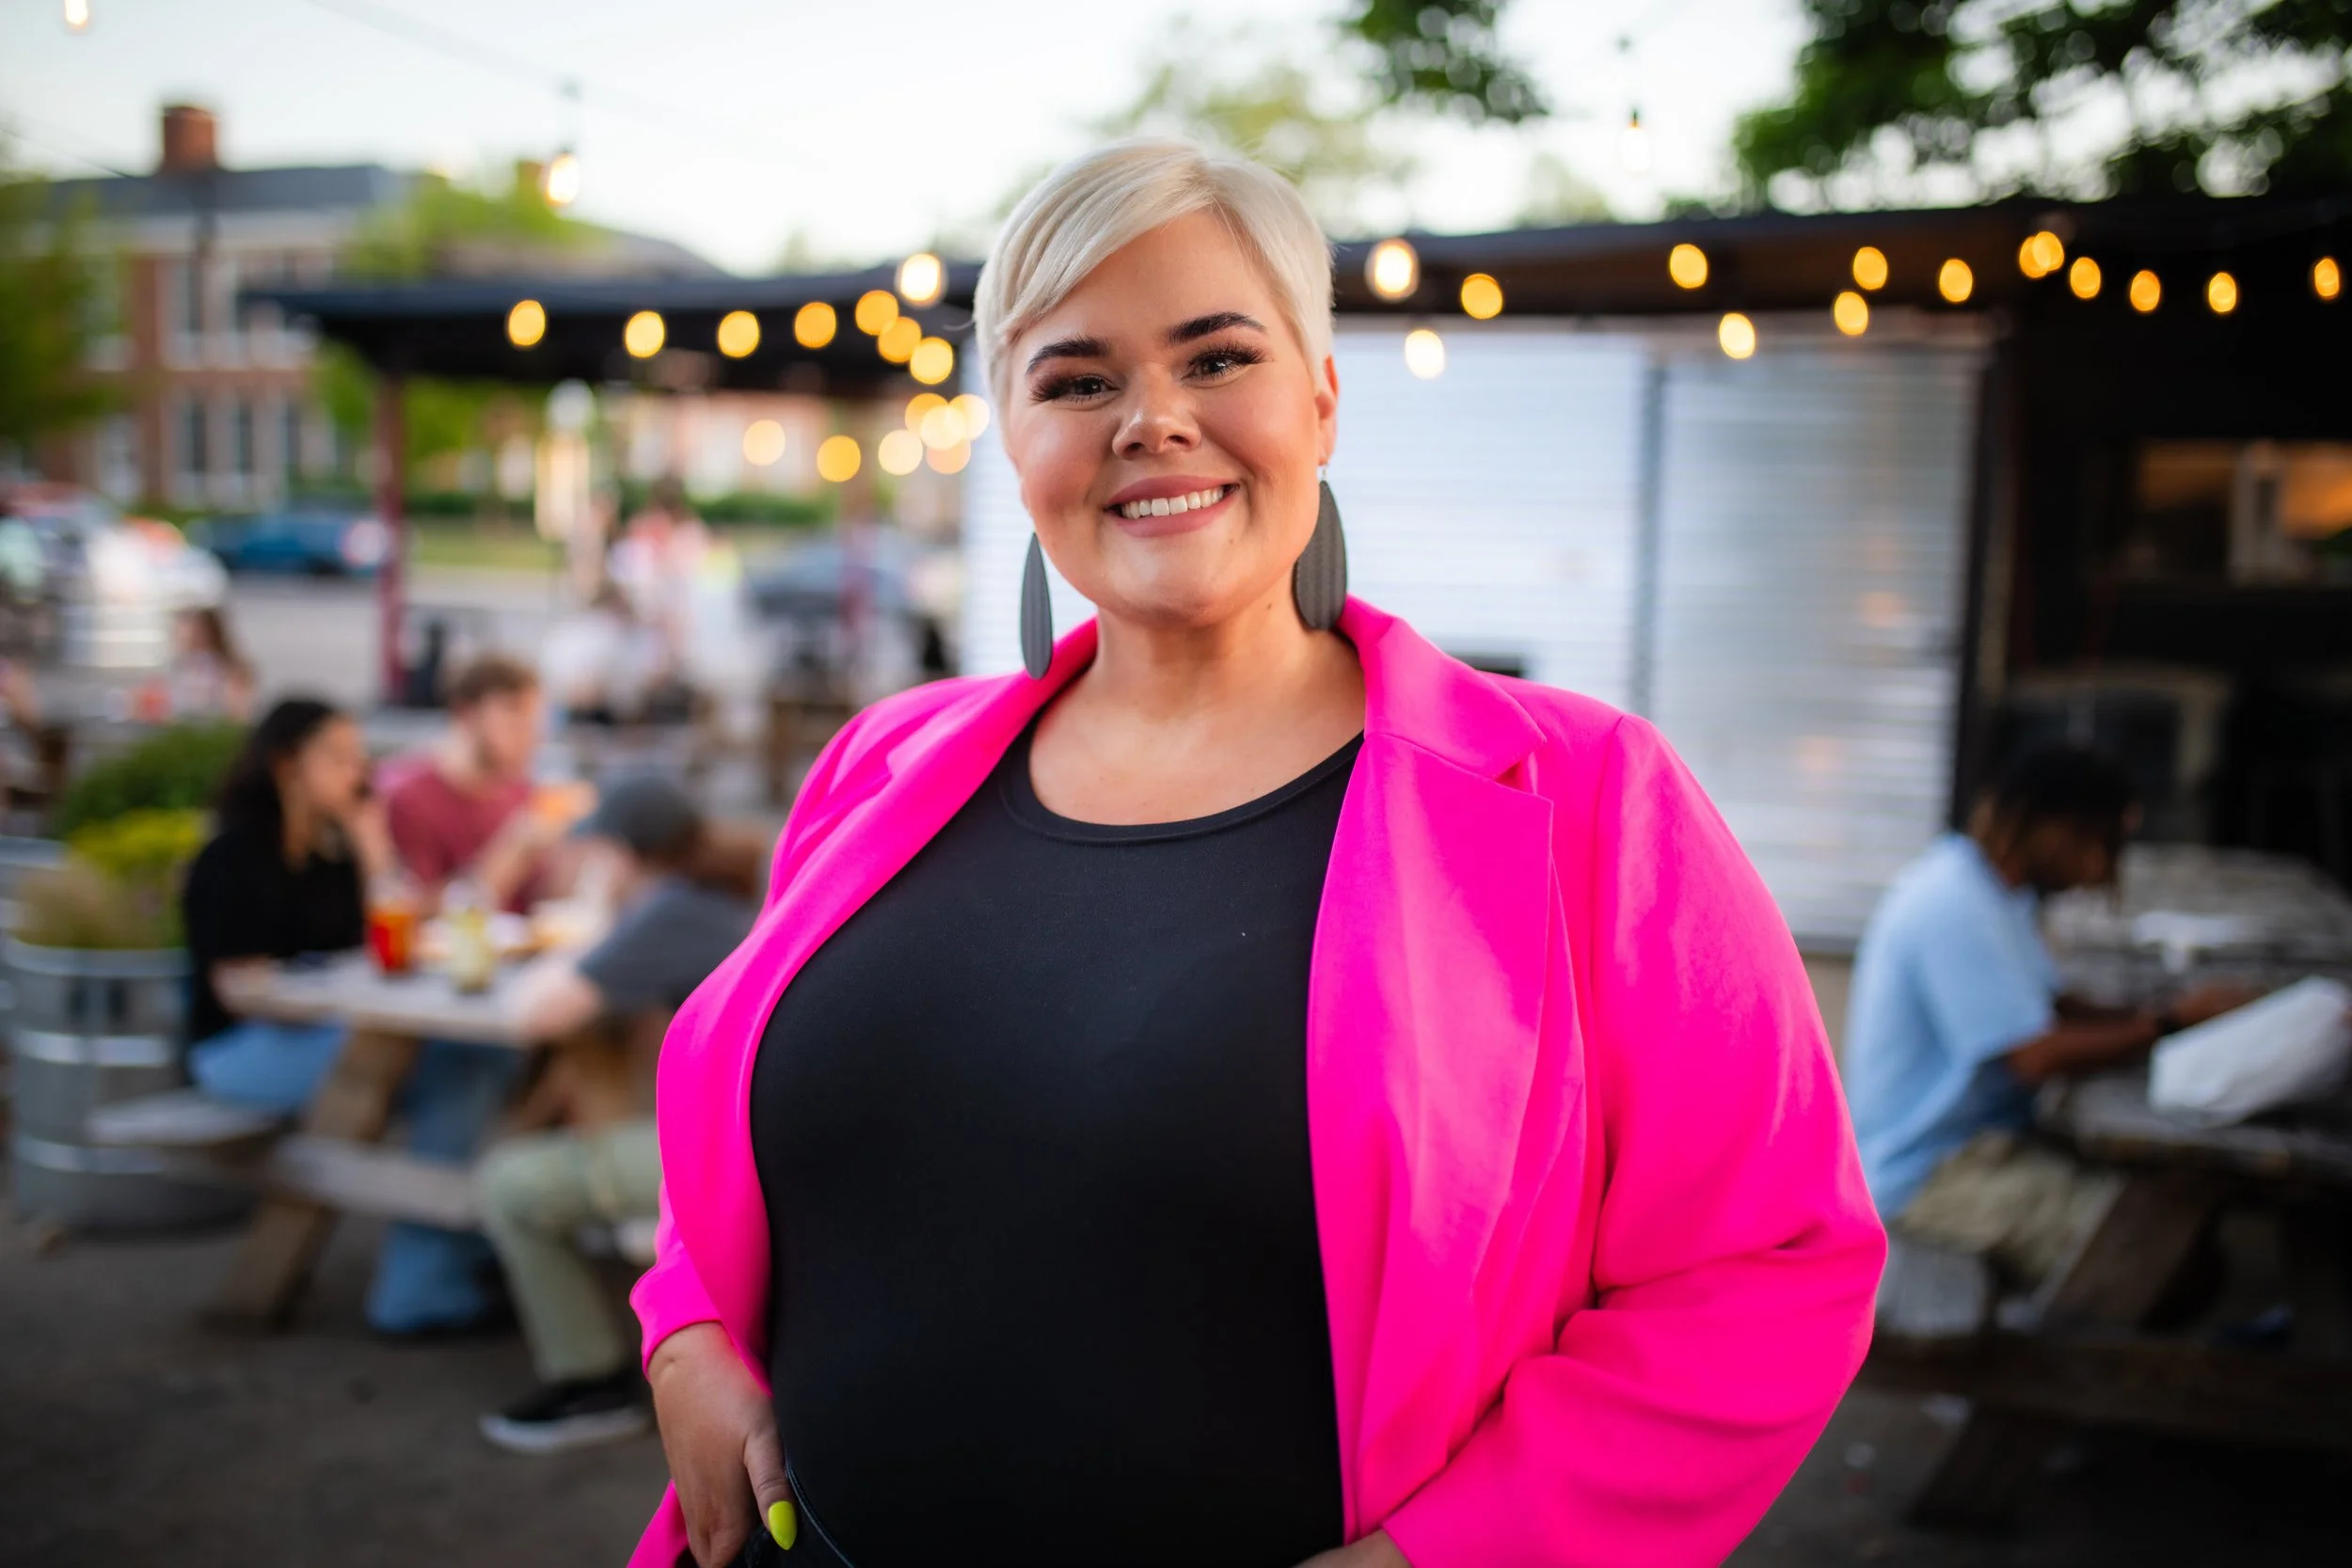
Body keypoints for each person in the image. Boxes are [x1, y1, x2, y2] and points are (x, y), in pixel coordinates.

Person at [631, 140, 1883, 1568]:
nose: (1151, 419)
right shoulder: (881, 765)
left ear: (1323, 398)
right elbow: (741, 1131)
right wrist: (686, 1329)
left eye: (1216, 356)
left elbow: (1769, 1269)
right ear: (1013, 435)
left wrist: (1449, 1557)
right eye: (1077, 377)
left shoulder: (1588, 798)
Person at [1845, 745, 2252, 1286]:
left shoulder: (1993, 891)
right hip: (1928, 1173)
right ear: (2052, 828)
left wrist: (2162, 1012)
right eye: (2099, 843)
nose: (2101, 869)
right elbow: (2035, 1056)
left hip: (1971, 1145)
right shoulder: (1955, 905)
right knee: (2163, 1259)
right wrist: (2168, 1023)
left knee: (2175, 1225)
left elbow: (2047, 1002)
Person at [183, 698, 520, 1336]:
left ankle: (432, 1271)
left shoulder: (334, 856)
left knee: (474, 1061)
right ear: (286, 765)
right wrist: (331, 994)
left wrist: (370, 844)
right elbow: (238, 989)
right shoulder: (234, 856)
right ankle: (432, 1275)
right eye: (337, 757)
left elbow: (394, 935)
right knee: (451, 1060)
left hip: (321, 1032)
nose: (357, 770)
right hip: (240, 1048)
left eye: (358, 756)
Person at [473, 775, 757, 1455]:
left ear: (626, 852)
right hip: (745, 1140)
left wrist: (595, 920)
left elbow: (533, 1014)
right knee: (566, 1119)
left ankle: (591, 1383)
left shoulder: (672, 911)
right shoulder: (705, 899)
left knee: (509, 1181)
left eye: (597, 849)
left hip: (732, 1161)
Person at [383, 652, 557, 911]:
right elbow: (412, 910)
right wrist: (513, 852)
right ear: (466, 714)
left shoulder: (522, 791)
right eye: (514, 718)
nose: (529, 737)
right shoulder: (407, 795)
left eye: (533, 723)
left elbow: (542, 897)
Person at [167, 605, 256, 722]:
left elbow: (238, 710)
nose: (190, 637)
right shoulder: (182, 665)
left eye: (197, 631)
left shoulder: (229, 667)